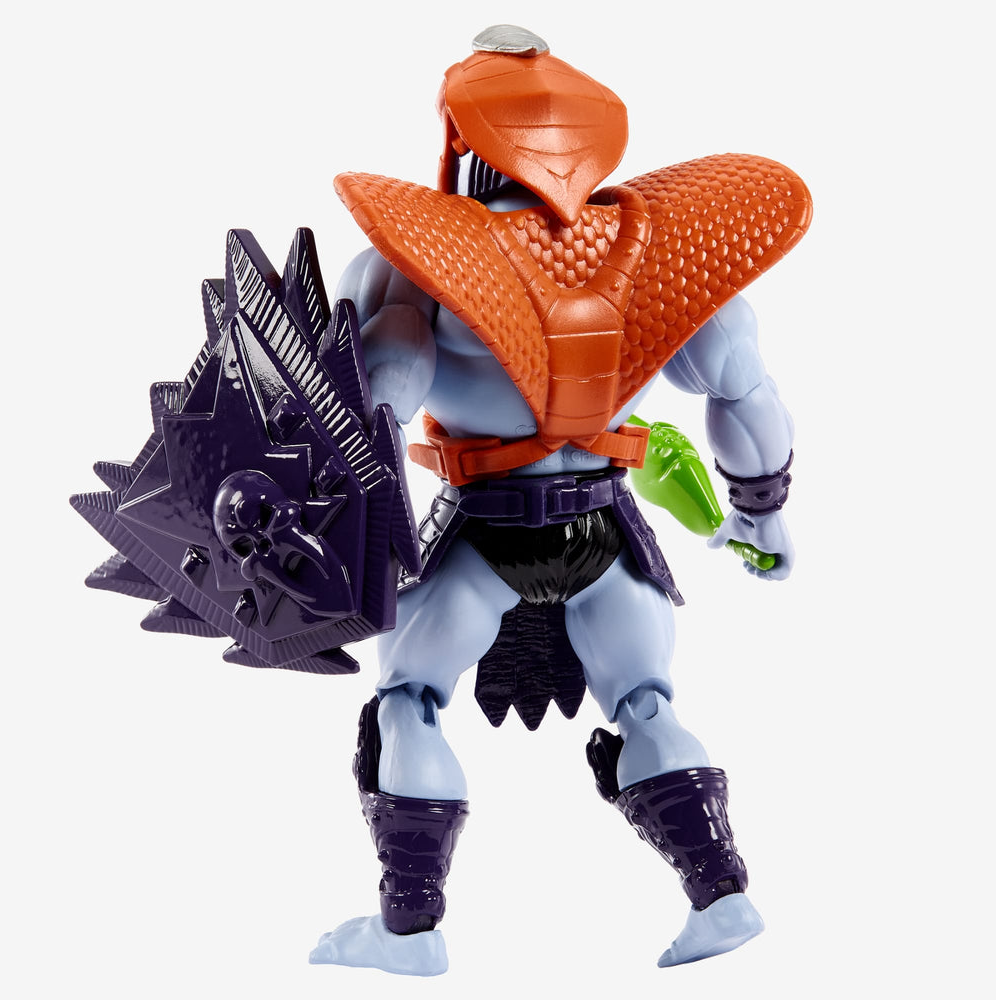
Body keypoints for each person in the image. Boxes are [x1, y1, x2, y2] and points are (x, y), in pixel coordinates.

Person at [309, 24, 809, 976]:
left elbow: (384, 393)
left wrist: (331, 529)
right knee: (647, 702)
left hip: (482, 535)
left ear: (463, 139)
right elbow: (740, 379)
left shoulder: (411, 260)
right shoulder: (656, 249)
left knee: (408, 700)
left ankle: (408, 932)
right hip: (605, 532)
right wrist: (763, 507)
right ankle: (723, 896)